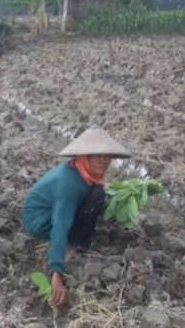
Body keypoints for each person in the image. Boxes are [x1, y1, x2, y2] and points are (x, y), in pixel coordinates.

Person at [21, 126, 131, 308]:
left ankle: (76, 240)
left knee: (97, 193)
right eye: (97, 155)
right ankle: (73, 246)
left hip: (50, 212)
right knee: (95, 197)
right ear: (84, 157)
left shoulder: (83, 173)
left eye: (107, 156)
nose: (104, 161)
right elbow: (60, 225)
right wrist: (56, 273)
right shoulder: (69, 185)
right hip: (39, 221)